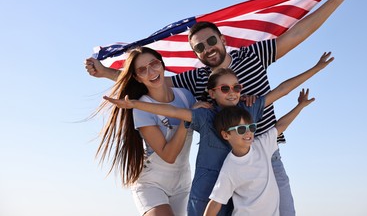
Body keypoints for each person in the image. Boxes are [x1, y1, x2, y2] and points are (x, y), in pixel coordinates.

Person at [86, 0, 348, 215]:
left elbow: (296, 35)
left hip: (267, 156)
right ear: (196, 54)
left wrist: (334, 1)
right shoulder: (197, 79)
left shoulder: (253, 55)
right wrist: (108, 73)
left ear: (222, 39)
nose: (207, 49)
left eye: (211, 41)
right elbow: (153, 79)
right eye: (199, 48)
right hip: (225, 164)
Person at [104, 52, 334, 215]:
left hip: (233, 189)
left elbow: (281, 91)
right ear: (212, 93)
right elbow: (171, 111)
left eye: (237, 87)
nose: (232, 92)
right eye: (225, 88)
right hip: (204, 190)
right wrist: (135, 104)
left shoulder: (248, 110)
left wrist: (315, 69)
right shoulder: (205, 117)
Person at [95, 46, 197, 216]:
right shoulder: (141, 108)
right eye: (142, 70)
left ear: (162, 64)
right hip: (152, 184)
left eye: (154, 64)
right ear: (137, 78)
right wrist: (187, 118)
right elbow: (168, 155)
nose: (151, 72)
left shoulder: (186, 96)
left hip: (183, 184)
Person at [204, 90, 313, 216]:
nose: (248, 133)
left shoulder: (261, 145)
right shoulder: (230, 167)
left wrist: (300, 105)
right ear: (226, 135)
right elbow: (216, 202)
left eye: (251, 127)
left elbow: (281, 126)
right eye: (241, 129)